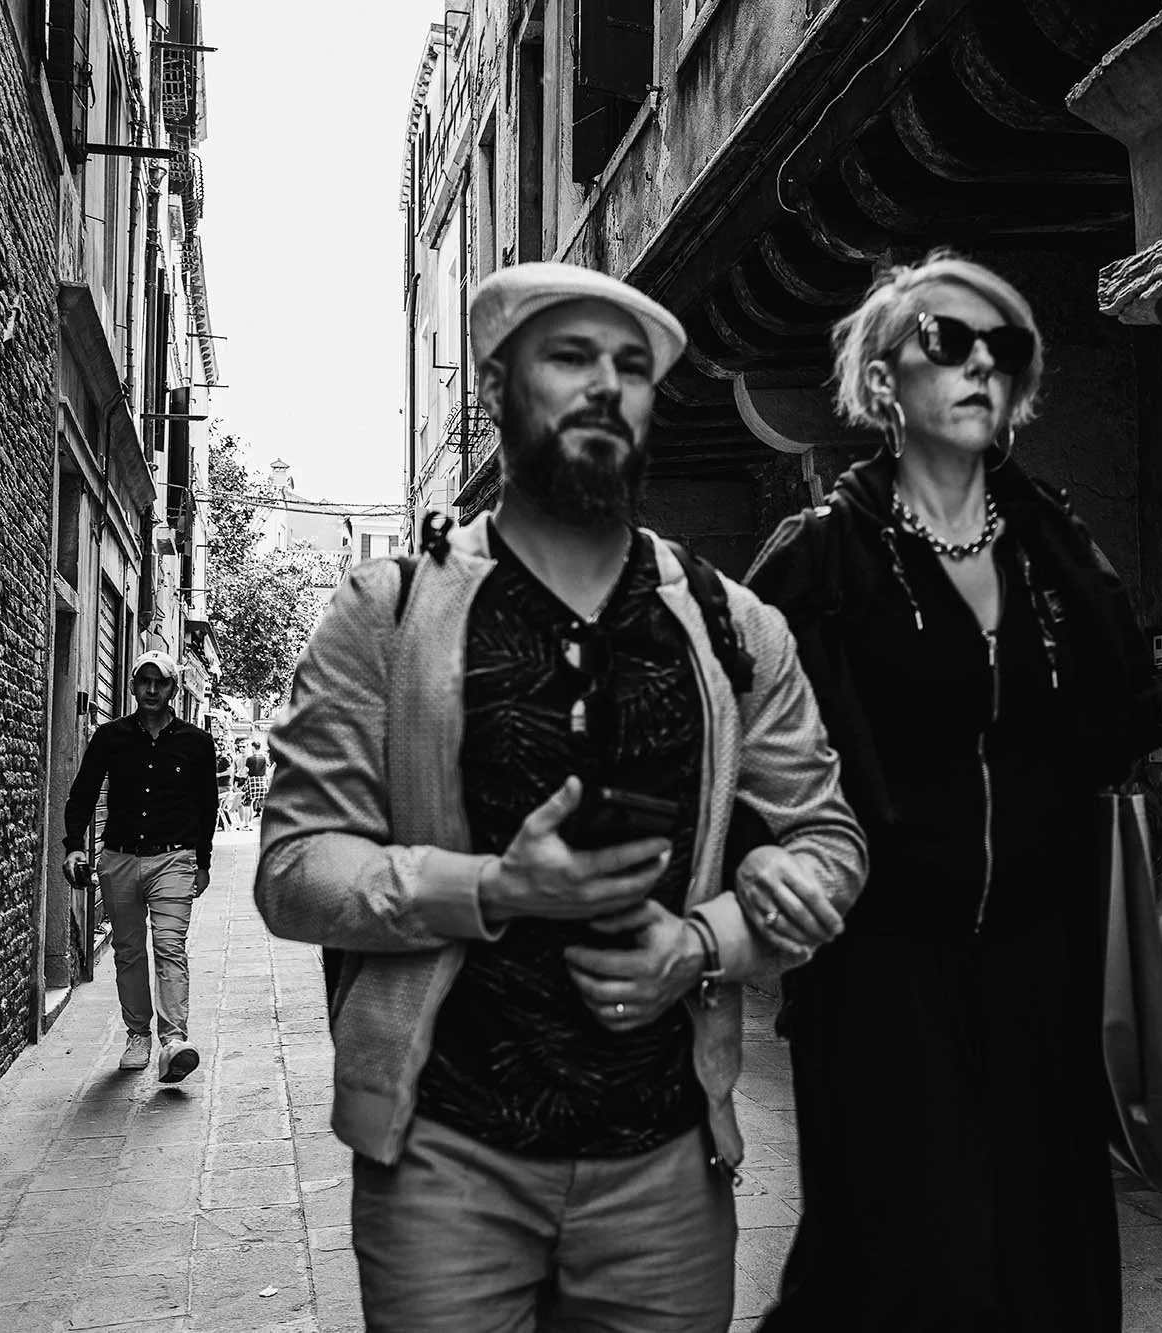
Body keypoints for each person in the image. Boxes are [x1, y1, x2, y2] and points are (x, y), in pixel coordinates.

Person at [254, 261, 867, 1333]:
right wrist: (493, 887)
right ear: (497, 388)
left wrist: (706, 941)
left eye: (630, 368)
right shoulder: (385, 613)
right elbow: (295, 869)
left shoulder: (733, 626)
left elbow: (829, 842)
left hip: (665, 1170)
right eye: (570, 357)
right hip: (443, 1164)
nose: (604, 385)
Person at [737, 249, 1162, 1332]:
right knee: (900, 1260)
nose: (982, 364)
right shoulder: (820, 559)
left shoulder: (1053, 545)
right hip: (879, 965)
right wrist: (764, 869)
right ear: (883, 382)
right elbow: (741, 744)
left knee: (1043, 1254)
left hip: (1042, 959)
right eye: (948, 341)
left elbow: (1109, 702)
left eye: (1003, 347)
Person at [64, 651, 218, 1083]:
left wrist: (202, 862)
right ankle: (137, 1035)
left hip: (174, 858)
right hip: (119, 859)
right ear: (132, 686)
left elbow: (207, 806)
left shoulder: (196, 742)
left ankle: (173, 1042)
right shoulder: (110, 737)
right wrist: (74, 847)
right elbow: (83, 794)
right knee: (128, 950)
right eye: (144, 681)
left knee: (169, 946)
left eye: (161, 682)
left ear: (173, 689)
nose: (152, 689)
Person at [243, 741, 270, 823]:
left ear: (253, 747)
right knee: (263, 803)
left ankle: (246, 824)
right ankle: (266, 823)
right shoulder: (264, 758)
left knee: (247, 803)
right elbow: (267, 770)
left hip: (252, 781)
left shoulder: (249, 759)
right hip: (262, 781)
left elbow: (245, 771)